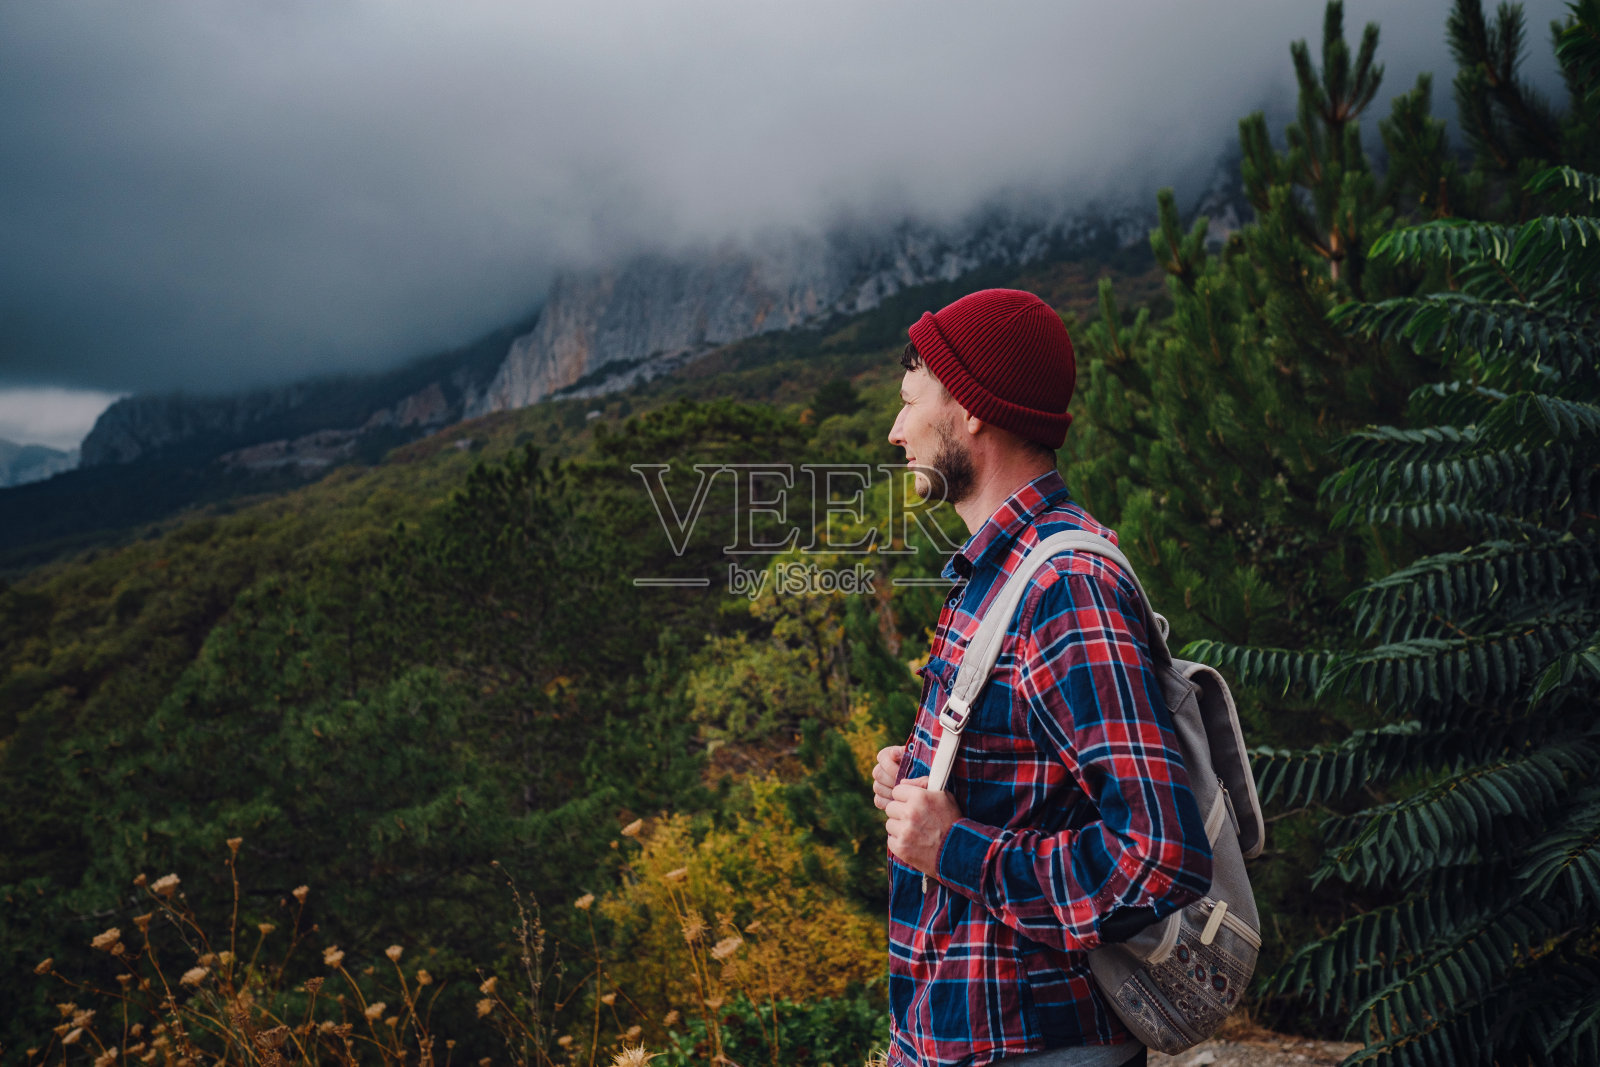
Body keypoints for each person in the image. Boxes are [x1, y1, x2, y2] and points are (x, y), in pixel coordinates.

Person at [873, 289, 1214, 1067]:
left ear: (971, 410)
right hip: (965, 1031)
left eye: (908, 402)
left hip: (1036, 1043)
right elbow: (1030, 776)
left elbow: (1159, 854)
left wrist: (956, 846)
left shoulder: (1064, 584)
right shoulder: (1000, 571)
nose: (896, 432)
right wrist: (918, 778)